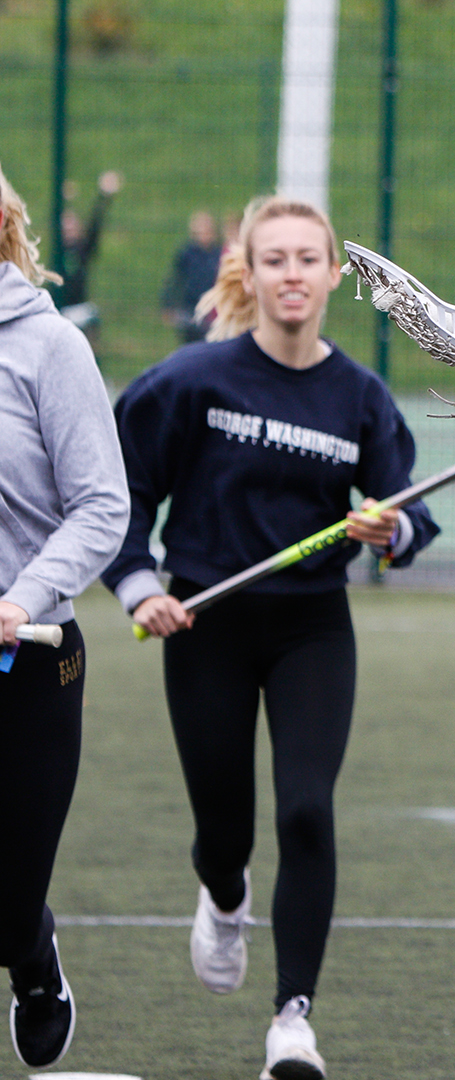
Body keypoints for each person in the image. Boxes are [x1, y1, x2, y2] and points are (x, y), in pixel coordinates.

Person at [102, 195, 440, 1080]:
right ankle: (223, 895)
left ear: (335, 275)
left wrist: (388, 532)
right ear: (248, 274)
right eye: (275, 259)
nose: (293, 274)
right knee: (225, 831)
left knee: (305, 809)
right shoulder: (192, 382)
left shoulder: (359, 396)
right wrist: (140, 588)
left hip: (311, 629)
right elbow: (122, 492)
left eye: (308, 258)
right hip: (203, 622)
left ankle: (293, 1022)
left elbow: (408, 511)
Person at [0, 161, 130, 1071]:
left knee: (6, 898)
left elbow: (102, 508)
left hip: (32, 657)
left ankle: (33, 955)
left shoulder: (51, 348)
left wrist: (19, 599)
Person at [53, 169, 121, 337]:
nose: (67, 228)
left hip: (80, 310)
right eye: (64, 225)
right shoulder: (58, 248)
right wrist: (63, 199)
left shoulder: (83, 248)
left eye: (72, 225)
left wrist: (104, 196)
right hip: (59, 310)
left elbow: (95, 224)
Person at [161, 209, 221, 344]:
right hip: (190, 308)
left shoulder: (219, 253)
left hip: (212, 310)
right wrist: (167, 304)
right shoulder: (187, 253)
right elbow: (174, 279)